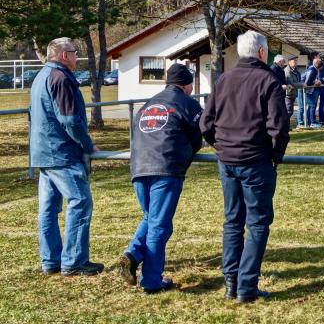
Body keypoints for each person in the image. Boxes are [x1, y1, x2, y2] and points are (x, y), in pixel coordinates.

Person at [200, 30, 290, 304]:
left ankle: (231, 282)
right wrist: (275, 156)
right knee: (258, 223)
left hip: (227, 160)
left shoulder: (224, 79)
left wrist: (221, 145)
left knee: (232, 220)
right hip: (255, 160)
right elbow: (279, 126)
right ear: (262, 53)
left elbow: (205, 123)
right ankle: (246, 286)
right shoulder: (268, 81)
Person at [118, 63, 203, 294]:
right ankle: (152, 281)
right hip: (165, 168)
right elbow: (200, 133)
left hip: (138, 167)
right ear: (187, 85)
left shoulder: (148, 104)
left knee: (151, 217)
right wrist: (189, 150)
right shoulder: (187, 103)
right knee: (159, 226)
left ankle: (132, 255)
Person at [30, 37, 103, 276]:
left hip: (43, 153)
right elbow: (70, 120)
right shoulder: (60, 78)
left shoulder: (41, 76)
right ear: (63, 56)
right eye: (74, 52)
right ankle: (74, 261)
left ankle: (51, 261)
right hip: (62, 154)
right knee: (80, 202)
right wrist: (88, 145)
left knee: (48, 210)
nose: (76, 57)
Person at [304, 57, 323, 128]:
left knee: (311, 106)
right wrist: (315, 83)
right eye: (321, 66)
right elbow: (307, 82)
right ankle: (311, 122)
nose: (321, 68)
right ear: (318, 65)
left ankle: (311, 121)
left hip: (309, 89)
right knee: (312, 106)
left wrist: (315, 81)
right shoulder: (312, 70)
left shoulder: (314, 69)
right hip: (307, 90)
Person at [284, 55, 301, 124]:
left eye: (296, 60)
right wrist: (302, 84)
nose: (296, 62)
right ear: (289, 62)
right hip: (288, 94)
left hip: (293, 93)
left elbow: (298, 80)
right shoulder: (287, 71)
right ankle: (284, 127)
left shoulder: (296, 70)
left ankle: (286, 126)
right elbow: (291, 83)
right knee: (288, 111)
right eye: (294, 61)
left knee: (290, 111)